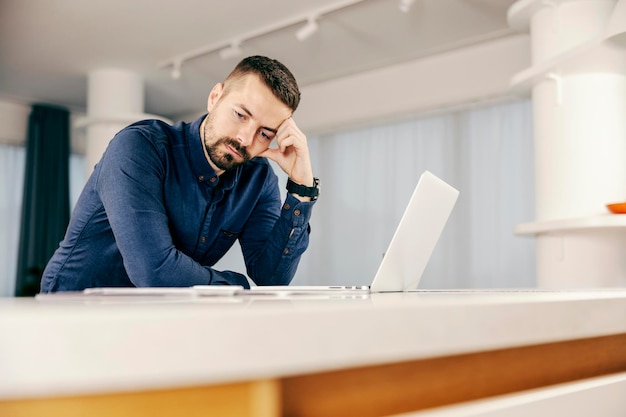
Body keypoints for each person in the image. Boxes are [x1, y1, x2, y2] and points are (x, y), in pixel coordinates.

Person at [40, 55, 319, 292]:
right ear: (215, 98)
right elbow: (153, 271)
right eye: (240, 115)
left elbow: (271, 277)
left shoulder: (257, 178)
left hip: (156, 318)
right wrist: (236, 287)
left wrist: (301, 188)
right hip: (74, 307)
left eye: (265, 133)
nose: (246, 138)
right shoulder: (140, 147)